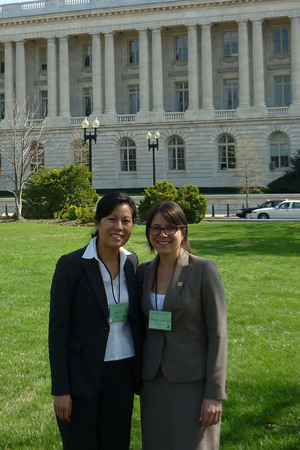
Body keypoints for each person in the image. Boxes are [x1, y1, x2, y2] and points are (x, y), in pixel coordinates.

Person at [49, 192, 141, 450]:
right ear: (97, 222)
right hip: (81, 377)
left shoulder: (132, 263)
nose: (119, 227)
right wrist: (61, 390)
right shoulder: (71, 265)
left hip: (122, 374)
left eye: (126, 220)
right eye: (112, 219)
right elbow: (58, 331)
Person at [138, 201, 227, 450]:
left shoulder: (203, 269)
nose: (162, 234)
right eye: (155, 228)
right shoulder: (144, 272)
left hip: (193, 384)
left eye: (170, 228)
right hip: (153, 383)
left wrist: (214, 394)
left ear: (183, 232)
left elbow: (218, 334)